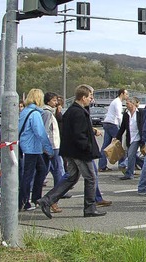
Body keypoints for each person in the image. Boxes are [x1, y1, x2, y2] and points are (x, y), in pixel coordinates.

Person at [38, 84, 106, 218]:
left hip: (70, 151)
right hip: (79, 152)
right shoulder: (78, 112)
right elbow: (79, 135)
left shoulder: (72, 111)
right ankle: (90, 208)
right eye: (89, 97)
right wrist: (87, 149)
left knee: (71, 178)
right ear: (83, 97)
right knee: (91, 178)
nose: (91, 100)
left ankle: (47, 200)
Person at [19, 89, 54, 211]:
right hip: (32, 147)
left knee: (41, 170)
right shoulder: (35, 114)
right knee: (28, 175)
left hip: (29, 147)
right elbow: (40, 132)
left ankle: (35, 198)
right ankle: (24, 202)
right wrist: (49, 149)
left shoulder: (25, 111)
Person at [41, 92, 64, 213]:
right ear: (49, 101)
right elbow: (45, 131)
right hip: (52, 147)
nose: (56, 103)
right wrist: (48, 148)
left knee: (48, 172)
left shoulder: (50, 112)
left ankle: (49, 199)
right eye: (54, 101)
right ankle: (52, 200)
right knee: (58, 173)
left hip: (54, 146)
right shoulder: (47, 113)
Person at [98, 88, 128, 172]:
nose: (127, 96)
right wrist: (123, 126)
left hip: (107, 123)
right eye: (126, 94)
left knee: (106, 145)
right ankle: (122, 164)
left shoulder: (115, 101)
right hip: (112, 124)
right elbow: (119, 116)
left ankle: (102, 165)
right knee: (119, 145)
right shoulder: (118, 102)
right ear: (122, 94)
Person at [116, 97, 145, 180]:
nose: (126, 105)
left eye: (128, 103)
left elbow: (145, 124)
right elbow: (123, 127)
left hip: (139, 137)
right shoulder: (126, 114)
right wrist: (117, 137)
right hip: (130, 137)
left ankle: (129, 174)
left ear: (133, 104)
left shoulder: (141, 112)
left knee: (131, 154)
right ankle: (144, 165)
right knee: (132, 155)